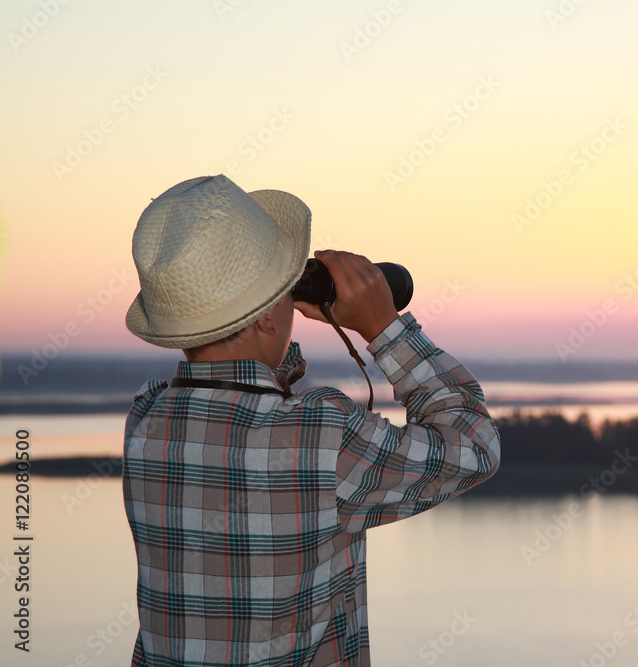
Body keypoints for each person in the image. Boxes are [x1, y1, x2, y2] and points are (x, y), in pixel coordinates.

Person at [121, 174, 500, 666]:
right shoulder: (324, 439)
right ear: (265, 317)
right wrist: (383, 326)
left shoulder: (147, 419)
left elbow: (237, 409)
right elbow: (475, 445)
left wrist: (267, 307)